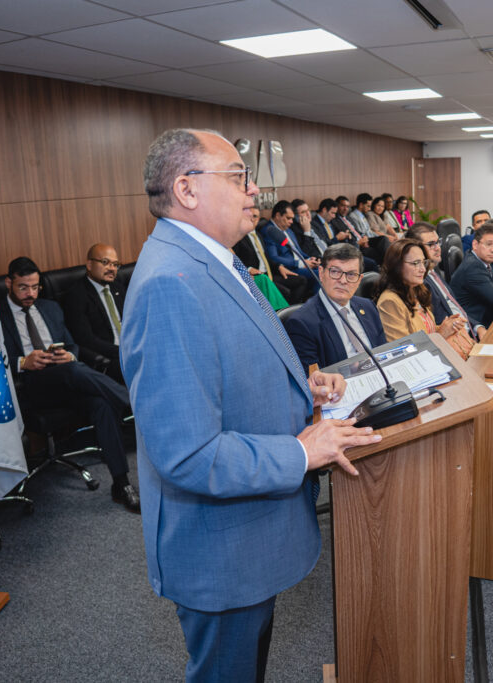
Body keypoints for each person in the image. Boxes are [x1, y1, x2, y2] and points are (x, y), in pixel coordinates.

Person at [124, 128, 381, 682]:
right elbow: (187, 453)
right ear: (187, 190)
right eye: (238, 176)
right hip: (222, 553)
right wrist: (300, 452)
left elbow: (223, 367)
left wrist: (298, 389)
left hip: (249, 536)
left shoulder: (214, 259)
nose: (255, 189)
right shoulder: (170, 283)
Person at [0, 256, 139, 512]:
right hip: (30, 385)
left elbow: (72, 343)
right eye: (22, 287)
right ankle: (134, 406)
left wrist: (69, 354)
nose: (30, 294)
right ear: (9, 283)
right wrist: (22, 362)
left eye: (35, 287)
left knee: (101, 403)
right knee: (74, 370)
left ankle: (121, 483)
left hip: (67, 378)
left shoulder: (50, 308)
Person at [284, 243, 387, 369]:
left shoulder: (368, 307)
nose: (343, 280)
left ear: (359, 279)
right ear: (321, 274)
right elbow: (314, 379)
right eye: (335, 272)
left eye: (351, 274)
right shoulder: (302, 322)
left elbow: (383, 352)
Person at [375, 238, 474, 358]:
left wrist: (447, 326)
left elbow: (426, 331)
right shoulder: (390, 301)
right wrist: (441, 334)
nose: (422, 269)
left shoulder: (417, 290)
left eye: (423, 262)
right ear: (397, 265)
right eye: (415, 263)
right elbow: (402, 351)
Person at [405, 222, 488, 342]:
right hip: (454, 341)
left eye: (438, 242)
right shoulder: (420, 282)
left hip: (468, 335)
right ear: (416, 249)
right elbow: (439, 323)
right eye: (431, 244)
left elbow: (456, 308)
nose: (437, 247)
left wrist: (477, 327)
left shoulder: (434, 272)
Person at [62, 243, 126, 382]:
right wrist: (121, 350)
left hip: (129, 350)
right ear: (89, 265)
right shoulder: (76, 295)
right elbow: (86, 340)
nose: (112, 269)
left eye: (115, 264)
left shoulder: (118, 288)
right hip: (110, 357)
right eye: (105, 262)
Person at [232, 207, 306, 307]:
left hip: (270, 273)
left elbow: (266, 258)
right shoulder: (239, 236)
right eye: (250, 216)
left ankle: (292, 310)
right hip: (258, 276)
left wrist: (279, 266)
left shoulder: (258, 235)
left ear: (258, 219)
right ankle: (283, 314)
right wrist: (248, 269)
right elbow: (235, 259)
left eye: (255, 217)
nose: (252, 219)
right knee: (285, 292)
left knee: (301, 280)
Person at [262, 200, 319, 295]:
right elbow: (274, 257)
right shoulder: (269, 231)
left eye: (292, 218)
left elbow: (298, 251)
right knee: (321, 274)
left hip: (301, 264)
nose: (291, 222)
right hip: (289, 268)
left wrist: (309, 259)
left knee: (325, 268)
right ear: (278, 215)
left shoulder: (288, 230)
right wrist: (300, 263)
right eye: (288, 218)